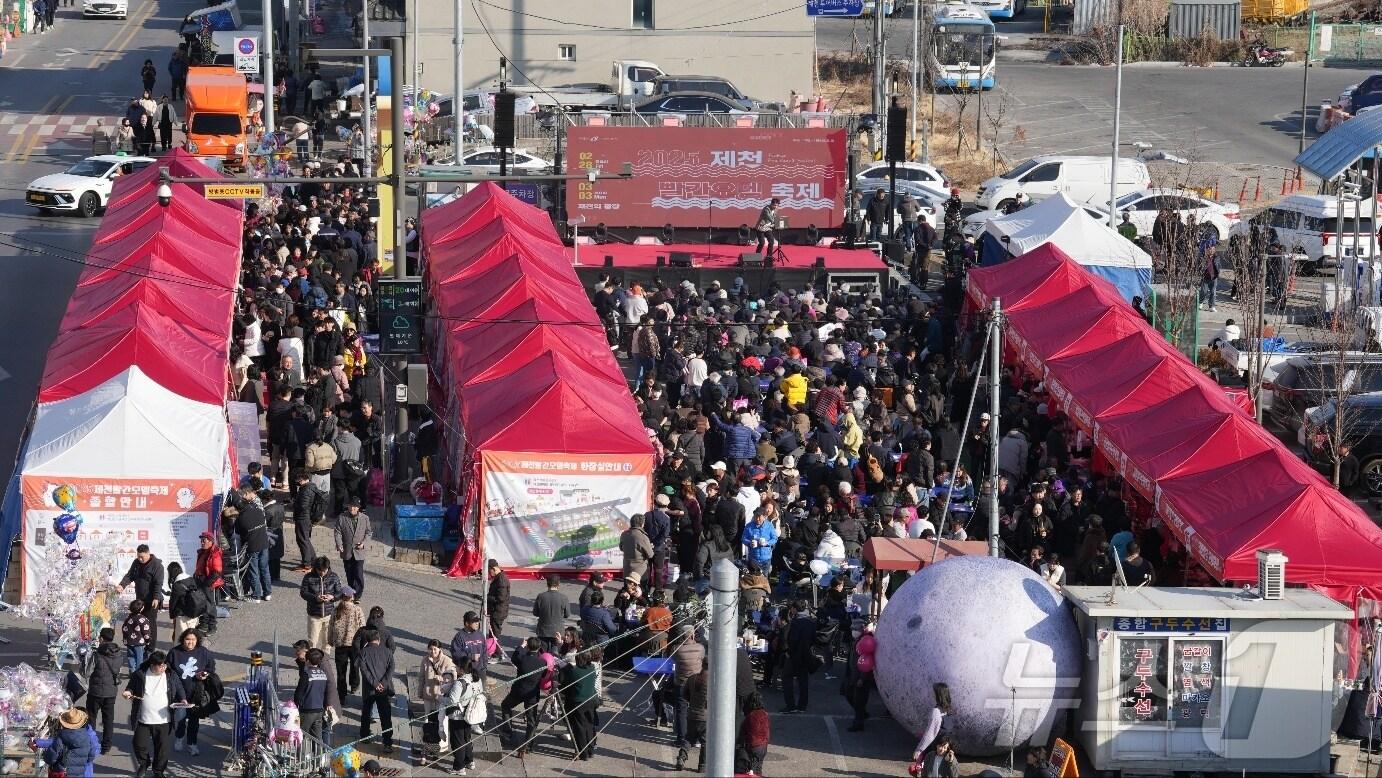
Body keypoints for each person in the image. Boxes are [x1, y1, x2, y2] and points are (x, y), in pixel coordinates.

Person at [124, 650, 187, 778]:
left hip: (164, 720)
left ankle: (158, 772)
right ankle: (144, 763)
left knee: (162, 749)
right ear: (152, 665)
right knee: (138, 744)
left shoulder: (170, 674)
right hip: (143, 719)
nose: (163, 668)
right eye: (160, 666)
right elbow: (130, 687)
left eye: (164, 665)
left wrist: (183, 699)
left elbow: (179, 687)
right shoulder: (140, 674)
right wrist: (128, 692)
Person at [167, 629, 215, 755]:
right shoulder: (174, 652)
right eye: (188, 639)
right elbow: (168, 670)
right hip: (179, 692)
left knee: (194, 720)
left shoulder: (203, 652)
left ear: (197, 640)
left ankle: (192, 744)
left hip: (197, 692)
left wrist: (204, 674)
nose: (190, 642)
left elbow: (211, 667)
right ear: (183, 639)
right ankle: (179, 737)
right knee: (180, 718)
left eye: (193, 640)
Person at [500, 638, 546, 758]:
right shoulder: (542, 663)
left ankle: (507, 731)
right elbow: (545, 675)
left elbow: (515, 656)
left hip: (518, 691)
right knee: (531, 720)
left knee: (505, 705)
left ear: (528, 647)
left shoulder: (523, 659)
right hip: (532, 693)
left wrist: (521, 646)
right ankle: (528, 744)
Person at [443, 655, 487, 774]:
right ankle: (469, 761)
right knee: (467, 738)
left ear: (461, 669)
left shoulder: (460, 682)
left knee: (458, 741)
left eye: (457, 666)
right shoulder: (476, 678)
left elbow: (452, 701)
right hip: (470, 714)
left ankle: (459, 767)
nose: (455, 668)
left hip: (458, 715)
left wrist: (441, 698)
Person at [357, 629, 396, 753]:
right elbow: (391, 668)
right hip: (384, 689)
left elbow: (363, 670)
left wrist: (374, 684)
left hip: (369, 689)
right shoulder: (388, 652)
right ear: (378, 640)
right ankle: (387, 742)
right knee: (385, 715)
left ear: (368, 641)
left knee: (366, 712)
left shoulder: (363, 652)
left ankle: (364, 735)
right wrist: (383, 683)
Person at [117, 544, 164, 645]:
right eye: (138, 556)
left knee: (150, 623)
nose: (140, 559)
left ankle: (150, 647)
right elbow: (130, 576)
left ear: (148, 553)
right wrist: (122, 585)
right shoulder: (136, 562)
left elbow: (158, 583)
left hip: (152, 600)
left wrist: (156, 597)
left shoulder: (157, 565)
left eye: (142, 556)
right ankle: (140, 644)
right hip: (140, 599)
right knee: (139, 622)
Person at [233, 484, 274, 602]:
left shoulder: (240, 519)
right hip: (264, 544)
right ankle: (267, 593)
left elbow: (239, 534)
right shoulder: (258, 510)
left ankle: (256, 595)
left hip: (252, 546)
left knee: (254, 571)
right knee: (265, 569)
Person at [86, 628, 123, 753]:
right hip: (111, 692)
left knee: (91, 717)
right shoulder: (119, 653)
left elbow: (87, 672)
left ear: (101, 638)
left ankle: (92, 743)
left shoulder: (97, 655)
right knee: (108, 720)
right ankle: (106, 746)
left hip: (95, 691)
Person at [293, 647, 339, 747]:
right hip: (319, 711)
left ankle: (301, 759)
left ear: (308, 660)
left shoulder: (306, 674)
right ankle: (318, 760)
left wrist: (295, 706)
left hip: (307, 710)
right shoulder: (323, 674)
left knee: (301, 735)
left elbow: (299, 693)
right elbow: (326, 691)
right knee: (317, 738)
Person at [561, 648, 601, 761]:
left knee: (580, 728)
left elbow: (565, 686)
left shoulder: (575, 671)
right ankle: (591, 750)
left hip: (579, 702)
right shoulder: (592, 668)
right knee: (589, 725)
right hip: (592, 700)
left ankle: (583, 753)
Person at [419, 639, 457, 753]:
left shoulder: (447, 661)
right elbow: (421, 677)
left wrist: (441, 678)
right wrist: (420, 692)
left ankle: (442, 745)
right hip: (428, 694)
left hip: (441, 696)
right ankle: (427, 744)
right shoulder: (425, 660)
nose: (432, 651)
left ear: (440, 649)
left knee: (442, 720)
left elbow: (453, 678)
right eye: (430, 649)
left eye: (435, 649)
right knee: (427, 719)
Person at [37, 709, 97, 778]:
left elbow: (51, 758)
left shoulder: (61, 738)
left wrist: (44, 755)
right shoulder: (87, 737)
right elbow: (92, 754)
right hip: (79, 773)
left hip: (62, 773)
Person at [782, 600, 817, 713]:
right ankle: (802, 706)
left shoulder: (794, 623)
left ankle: (791, 705)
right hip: (806, 655)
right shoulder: (811, 622)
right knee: (803, 681)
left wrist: (788, 652)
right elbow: (813, 639)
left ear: (795, 609)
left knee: (787, 678)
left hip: (794, 655)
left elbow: (791, 640)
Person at [300, 556, 343, 649]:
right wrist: (316, 598)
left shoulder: (334, 577)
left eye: (325, 570)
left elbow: (340, 593)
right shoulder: (308, 577)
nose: (323, 573)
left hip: (329, 616)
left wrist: (332, 597)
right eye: (320, 571)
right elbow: (303, 593)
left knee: (327, 642)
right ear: (315, 568)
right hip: (314, 615)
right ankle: (312, 660)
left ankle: (325, 660)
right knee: (312, 641)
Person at [329, 585, 364, 699]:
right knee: (355, 666)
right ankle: (354, 685)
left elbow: (330, 626)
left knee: (341, 670)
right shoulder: (357, 609)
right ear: (350, 597)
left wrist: (330, 640)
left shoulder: (336, 609)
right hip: (354, 644)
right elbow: (362, 626)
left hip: (340, 645)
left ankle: (342, 694)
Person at [291, 469, 328, 571]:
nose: (298, 482)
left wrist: (294, 504)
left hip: (303, 518)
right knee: (305, 539)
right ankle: (313, 560)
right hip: (307, 518)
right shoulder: (311, 487)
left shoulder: (306, 490)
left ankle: (307, 564)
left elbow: (303, 506)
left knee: (302, 540)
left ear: (304, 479)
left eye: (299, 480)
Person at [334, 497, 371, 596]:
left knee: (358, 573)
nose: (352, 509)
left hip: (359, 552)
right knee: (349, 573)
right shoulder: (342, 517)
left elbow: (368, 533)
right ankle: (351, 592)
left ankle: (358, 594)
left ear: (358, 508)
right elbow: (337, 532)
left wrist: (364, 543)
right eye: (350, 506)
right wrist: (339, 544)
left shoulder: (365, 518)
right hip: (347, 551)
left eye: (354, 507)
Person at [912, 682, 955, 763]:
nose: (932, 694)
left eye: (934, 693)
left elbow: (930, 734)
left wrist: (919, 750)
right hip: (946, 748)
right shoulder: (950, 710)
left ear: (938, 696)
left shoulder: (936, 712)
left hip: (935, 750)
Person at [166, 562, 208, 643]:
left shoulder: (177, 585)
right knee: (192, 637)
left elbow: (173, 602)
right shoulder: (191, 578)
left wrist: (172, 616)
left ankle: (181, 654)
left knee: (181, 638)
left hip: (182, 616)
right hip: (194, 613)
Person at [735, 691, 770, 775]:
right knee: (758, 767)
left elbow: (743, 734)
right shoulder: (765, 714)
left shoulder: (750, 716)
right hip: (763, 746)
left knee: (752, 771)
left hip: (753, 746)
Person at [533, 574, 570, 653]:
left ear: (547, 583)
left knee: (543, 653)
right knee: (555, 653)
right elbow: (567, 614)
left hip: (543, 630)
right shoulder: (564, 597)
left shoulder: (541, 596)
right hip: (558, 631)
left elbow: (535, 613)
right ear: (558, 584)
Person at [451, 610, 489, 679]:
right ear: (467, 623)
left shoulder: (480, 635)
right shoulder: (459, 637)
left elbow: (485, 651)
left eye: (477, 621)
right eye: (474, 621)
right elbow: (456, 655)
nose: (477, 623)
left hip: (480, 671)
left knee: (482, 690)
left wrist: (484, 666)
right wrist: (471, 657)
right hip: (466, 672)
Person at [619, 514, 655, 585]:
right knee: (640, 592)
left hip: (627, 569)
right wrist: (650, 547)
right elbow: (650, 555)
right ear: (642, 524)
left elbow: (621, 548)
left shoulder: (624, 534)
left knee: (627, 591)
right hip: (640, 571)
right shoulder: (642, 536)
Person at [741, 510, 779, 576]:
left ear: (764, 517)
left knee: (764, 579)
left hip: (766, 559)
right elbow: (743, 538)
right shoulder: (749, 526)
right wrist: (749, 543)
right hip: (753, 558)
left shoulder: (769, 526)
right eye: (756, 517)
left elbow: (774, 538)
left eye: (759, 517)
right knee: (753, 579)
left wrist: (767, 543)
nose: (757, 519)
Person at [486, 558, 511, 640]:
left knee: (495, 635)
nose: (489, 574)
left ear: (493, 569)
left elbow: (500, 598)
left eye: (489, 571)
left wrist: (487, 598)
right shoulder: (499, 578)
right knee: (493, 633)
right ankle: (493, 649)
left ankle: (496, 652)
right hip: (497, 611)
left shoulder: (501, 580)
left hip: (498, 612)